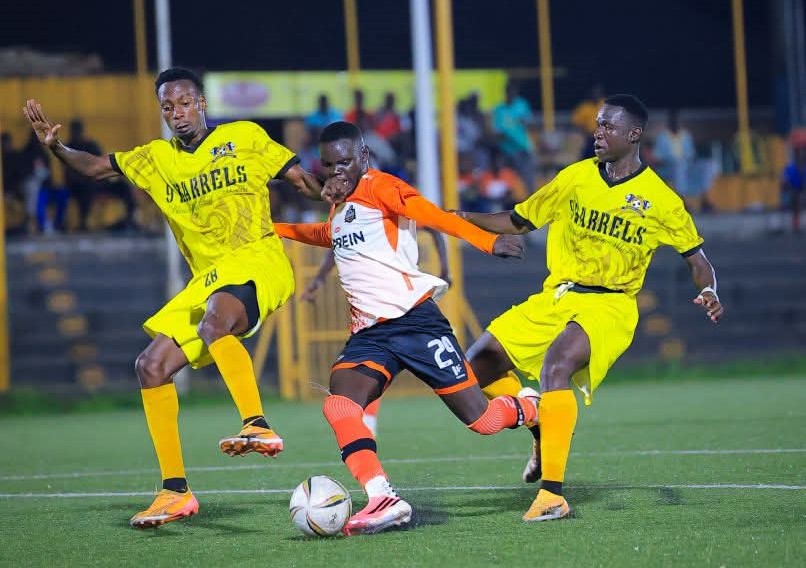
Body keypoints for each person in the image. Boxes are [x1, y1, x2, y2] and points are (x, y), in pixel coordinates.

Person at [22, 67, 324, 528]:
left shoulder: (244, 136)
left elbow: (302, 181)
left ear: (202, 103)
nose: (177, 113)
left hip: (258, 258)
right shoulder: (156, 158)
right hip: (210, 279)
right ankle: (174, 491)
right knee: (151, 366)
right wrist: (56, 147)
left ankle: (257, 424)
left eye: (184, 103)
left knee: (215, 320)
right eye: (167, 107)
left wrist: (344, 198)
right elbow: (98, 168)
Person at [455, 94, 725, 522]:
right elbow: (520, 220)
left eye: (607, 126)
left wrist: (709, 289)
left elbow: (697, 259)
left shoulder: (661, 199)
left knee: (556, 365)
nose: (597, 133)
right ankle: (540, 424)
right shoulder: (575, 177)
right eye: (597, 125)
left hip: (610, 305)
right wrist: (458, 217)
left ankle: (552, 496)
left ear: (633, 134)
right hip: (558, 295)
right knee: (473, 369)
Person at [275, 121, 539, 536]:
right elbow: (328, 235)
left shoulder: (382, 187)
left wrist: (486, 241)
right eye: (328, 166)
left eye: (344, 162)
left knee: (483, 421)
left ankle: (531, 408)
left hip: (416, 323)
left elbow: (431, 215)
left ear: (363, 157)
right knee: (339, 403)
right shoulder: (339, 206)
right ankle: (382, 497)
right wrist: (275, 230)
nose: (337, 172)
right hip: (370, 335)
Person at [297, 224, 452, 435]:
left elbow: (435, 228)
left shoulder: (388, 210)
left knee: (462, 389)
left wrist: (445, 270)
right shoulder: (351, 218)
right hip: (373, 306)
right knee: (370, 364)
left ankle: (484, 396)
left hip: (408, 305)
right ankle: (367, 421)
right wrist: (319, 279)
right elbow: (338, 244)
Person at [64, 119, 102, 230]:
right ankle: (83, 222)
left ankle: (130, 218)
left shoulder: (91, 145)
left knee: (122, 186)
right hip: (76, 185)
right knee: (85, 188)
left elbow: (100, 161)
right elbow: (68, 172)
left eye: (78, 130)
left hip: (96, 181)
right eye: (74, 131)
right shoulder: (67, 148)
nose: (76, 133)